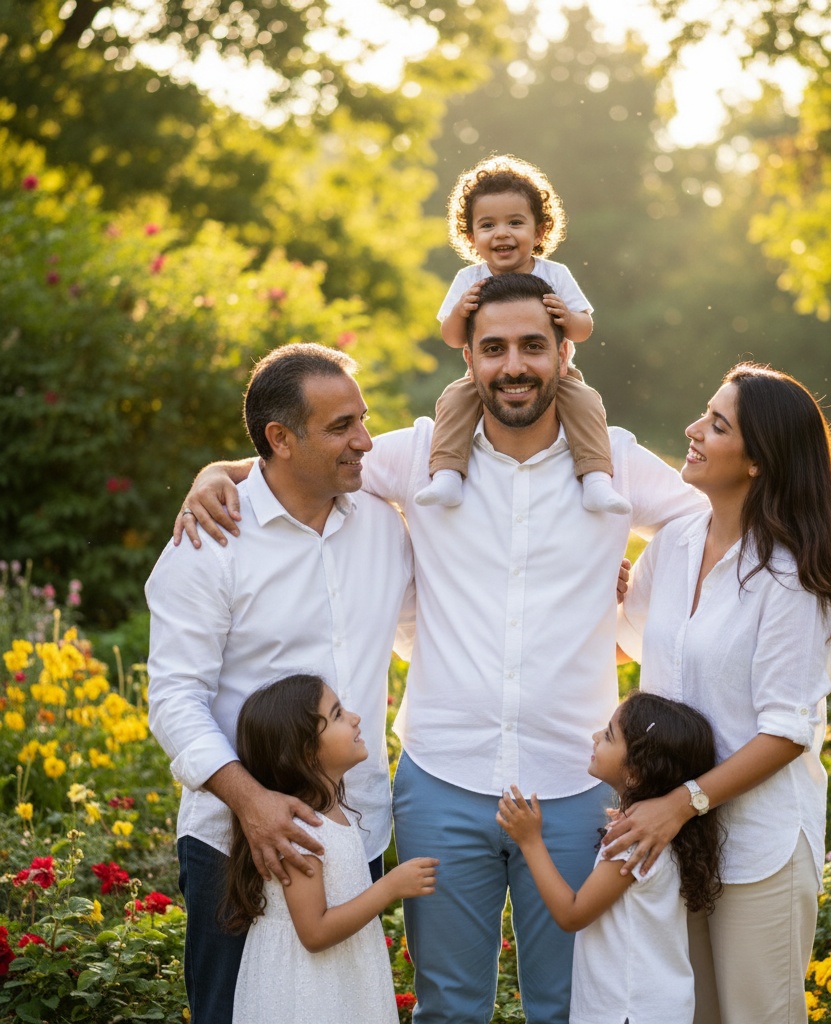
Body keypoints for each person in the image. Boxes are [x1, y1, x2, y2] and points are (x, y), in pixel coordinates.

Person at [175, 272, 709, 1024]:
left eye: (532, 346)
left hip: (572, 783)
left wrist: (633, 609)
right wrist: (215, 472)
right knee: (448, 1008)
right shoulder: (421, 455)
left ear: (563, 353)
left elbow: (700, 519)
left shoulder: (613, 462)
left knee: (564, 1006)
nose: (513, 365)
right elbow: (304, 459)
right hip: (442, 778)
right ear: (469, 360)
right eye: (493, 348)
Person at [146, 343, 416, 1024]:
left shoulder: (386, 529)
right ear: (280, 440)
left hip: (358, 829)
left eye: (363, 420)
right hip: (235, 841)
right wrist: (252, 800)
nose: (364, 442)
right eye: (340, 428)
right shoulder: (210, 542)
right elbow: (173, 698)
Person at [611, 362, 831, 1024]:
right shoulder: (675, 540)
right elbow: (634, 645)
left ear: (759, 461)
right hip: (678, 839)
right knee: (689, 1015)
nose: (694, 430)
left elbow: (787, 729)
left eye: (717, 425)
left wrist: (680, 804)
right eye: (705, 413)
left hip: (759, 843)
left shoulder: (790, 578)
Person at [416, 153, 629, 516]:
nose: (502, 233)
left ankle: (595, 480)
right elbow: (453, 337)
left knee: (587, 403)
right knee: (452, 402)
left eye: (515, 222)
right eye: (487, 225)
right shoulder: (468, 280)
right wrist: (460, 310)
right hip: (481, 378)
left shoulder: (555, 273)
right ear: (471, 236)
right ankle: (448, 474)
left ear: (539, 231)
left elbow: (584, 327)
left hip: (555, 376)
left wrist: (566, 316)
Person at [496, 690, 724, 1024]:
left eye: (607, 735)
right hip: (655, 1007)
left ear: (634, 774)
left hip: (624, 1011)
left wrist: (530, 841)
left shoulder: (631, 847)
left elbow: (572, 915)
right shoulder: (668, 834)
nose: (595, 737)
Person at [223, 674, 438, 1024]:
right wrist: (390, 887)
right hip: (310, 990)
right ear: (306, 752)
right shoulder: (300, 834)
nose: (354, 717)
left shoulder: (328, 811)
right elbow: (314, 932)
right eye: (337, 715)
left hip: (340, 978)